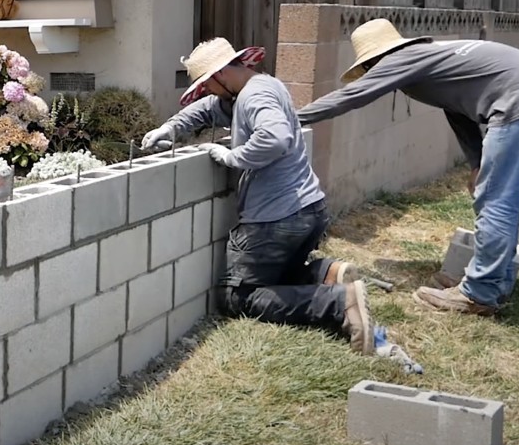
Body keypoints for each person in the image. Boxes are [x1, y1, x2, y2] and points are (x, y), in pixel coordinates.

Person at [296, 18, 519, 316]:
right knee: (501, 200)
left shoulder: (401, 58)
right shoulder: (431, 58)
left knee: (496, 202)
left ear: (374, 61)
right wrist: (476, 163)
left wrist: (291, 117)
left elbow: (351, 96)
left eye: (368, 69)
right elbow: (459, 111)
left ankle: (478, 294)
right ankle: (495, 282)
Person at [142, 38, 375, 353]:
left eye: (207, 85)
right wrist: (171, 128)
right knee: (274, 277)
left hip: (276, 219)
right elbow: (209, 109)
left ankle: (339, 302)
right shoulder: (260, 86)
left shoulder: (253, 96)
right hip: (308, 208)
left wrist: (233, 157)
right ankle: (326, 274)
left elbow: (275, 138)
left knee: (238, 296)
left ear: (220, 75)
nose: (208, 92)